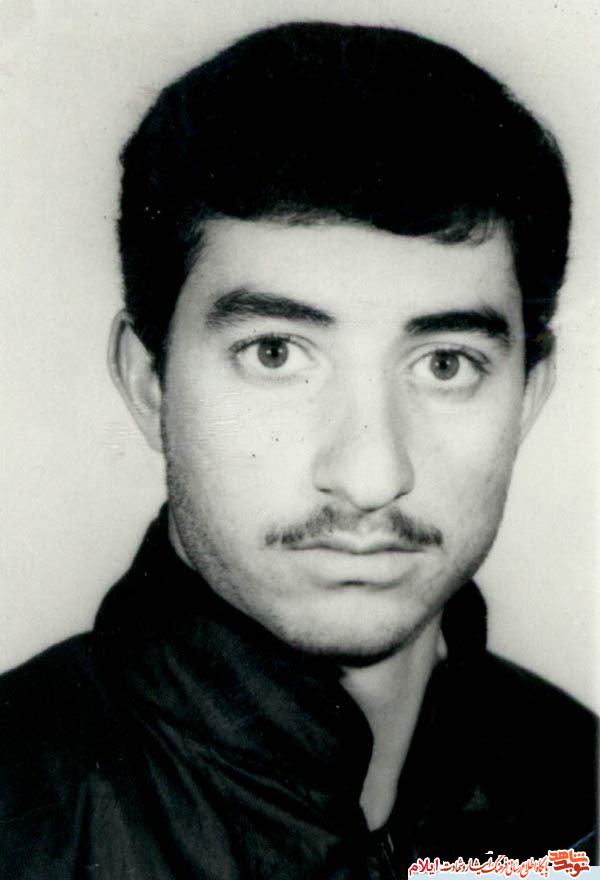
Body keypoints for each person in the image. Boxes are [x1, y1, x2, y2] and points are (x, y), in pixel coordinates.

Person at [0, 21, 596, 879]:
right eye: (275, 354)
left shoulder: (585, 795)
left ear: (529, 394)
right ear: (149, 381)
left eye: (445, 364)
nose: (370, 477)